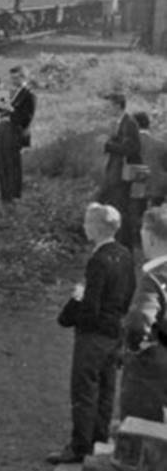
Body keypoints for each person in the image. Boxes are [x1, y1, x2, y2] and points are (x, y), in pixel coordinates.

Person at [47, 203, 134, 464]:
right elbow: (129, 292)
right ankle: (98, 439)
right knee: (106, 390)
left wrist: (74, 314)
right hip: (114, 330)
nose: (85, 227)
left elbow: (91, 305)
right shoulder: (125, 254)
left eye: (87, 222)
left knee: (84, 390)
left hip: (93, 335)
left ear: (97, 228)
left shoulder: (98, 260)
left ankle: (79, 446)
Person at [119, 206, 167, 422]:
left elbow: (138, 323)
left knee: (143, 434)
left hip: (153, 371)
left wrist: (134, 345)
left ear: (152, 239)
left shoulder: (153, 279)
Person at [98, 93, 142, 248]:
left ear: (117, 105)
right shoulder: (120, 122)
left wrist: (108, 145)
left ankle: (124, 246)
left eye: (109, 105)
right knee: (117, 208)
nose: (106, 109)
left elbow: (131, 149)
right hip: (116, 173)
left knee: (121, 210)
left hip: (122, 175)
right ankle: (121, 244)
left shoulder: (129, 123)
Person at [0, 65, 36, 203]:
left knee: (12, 165)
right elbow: (10, 112)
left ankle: (13, 196)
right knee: (3, 163)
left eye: (15, 77)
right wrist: (4, 108)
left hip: (14, 133)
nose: (12, 80)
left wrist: (11, 111)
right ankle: (5, 196)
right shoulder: (15, 92)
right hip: (5, 131)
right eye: (11, 77)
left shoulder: (29, 95)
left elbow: (26, 119)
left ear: (23, 77)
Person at [130, 112, 167, 228]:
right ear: (148, 125)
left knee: (136, 217)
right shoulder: (162, 145)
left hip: (137, 187)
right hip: (158, 187)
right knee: (157, 220)